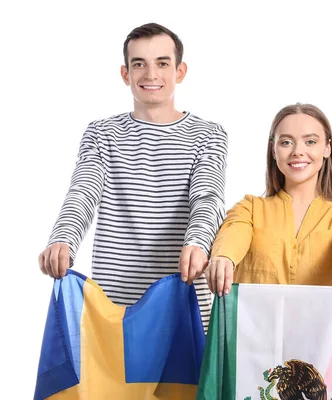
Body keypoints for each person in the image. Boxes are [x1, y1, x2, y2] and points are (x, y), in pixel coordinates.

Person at [38, 23, 228, 329]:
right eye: (139, 64)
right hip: (116, 309)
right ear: (126, 74)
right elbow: (83, 191)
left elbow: (207, 197)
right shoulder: (101, 133)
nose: (151, 74)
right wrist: (63, 238)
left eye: (162, 63)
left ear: (180, 71)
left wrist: (198, 242)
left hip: (185, 300)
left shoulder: (208, 135)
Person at [204, 103, 332, 300]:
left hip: (325, 330)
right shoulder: (249, 209)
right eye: (286, 142)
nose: (297, 152)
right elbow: (233, 234)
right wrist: (223, 257)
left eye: (310, 142)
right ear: (274, 150)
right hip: (257, 329)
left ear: (327, 148)